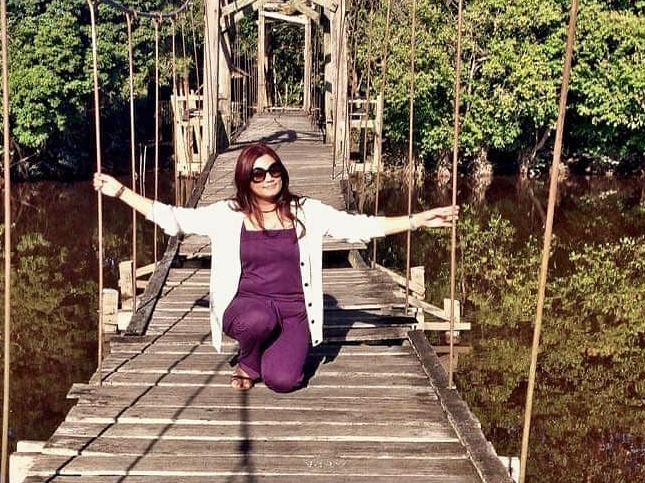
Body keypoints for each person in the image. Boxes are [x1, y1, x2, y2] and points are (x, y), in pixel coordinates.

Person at [93, 142, 456, 394]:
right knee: (257, 320)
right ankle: (248, 361)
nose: (269, 177)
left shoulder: (306, 211)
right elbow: (175, 219)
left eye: (275, 170)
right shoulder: (228, 215)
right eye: (258, 173)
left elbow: (359, 227)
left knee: (284, 380)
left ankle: (266, 355)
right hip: (245, 306)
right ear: (245, 180)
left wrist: (418, 219)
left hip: (294, 311)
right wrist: (122, 192)